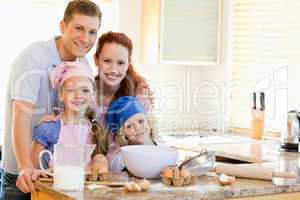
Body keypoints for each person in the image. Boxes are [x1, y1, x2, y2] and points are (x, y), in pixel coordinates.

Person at [1, 1, 101, 199]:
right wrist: (25, 168)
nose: (85, 39)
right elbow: (20, 115)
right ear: (62, 26)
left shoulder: (83, 62)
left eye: (92, 32)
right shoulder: (32, 58)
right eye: (78, 28)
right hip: (24, 175)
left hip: (59, 178)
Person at [31, 62, 95, 169]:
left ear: (92, 94)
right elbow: (32, 168)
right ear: (61, 94)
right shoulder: (49, 128)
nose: (78, 96)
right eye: (71, 90)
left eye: (85, 90)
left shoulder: (94, 129)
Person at [105, 96, 162, 172]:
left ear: (149, 121)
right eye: (129, 126)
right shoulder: (121, 158)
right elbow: (113, 172)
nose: (137, 128)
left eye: (141, 121)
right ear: (122, 134)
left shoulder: (162, 148)